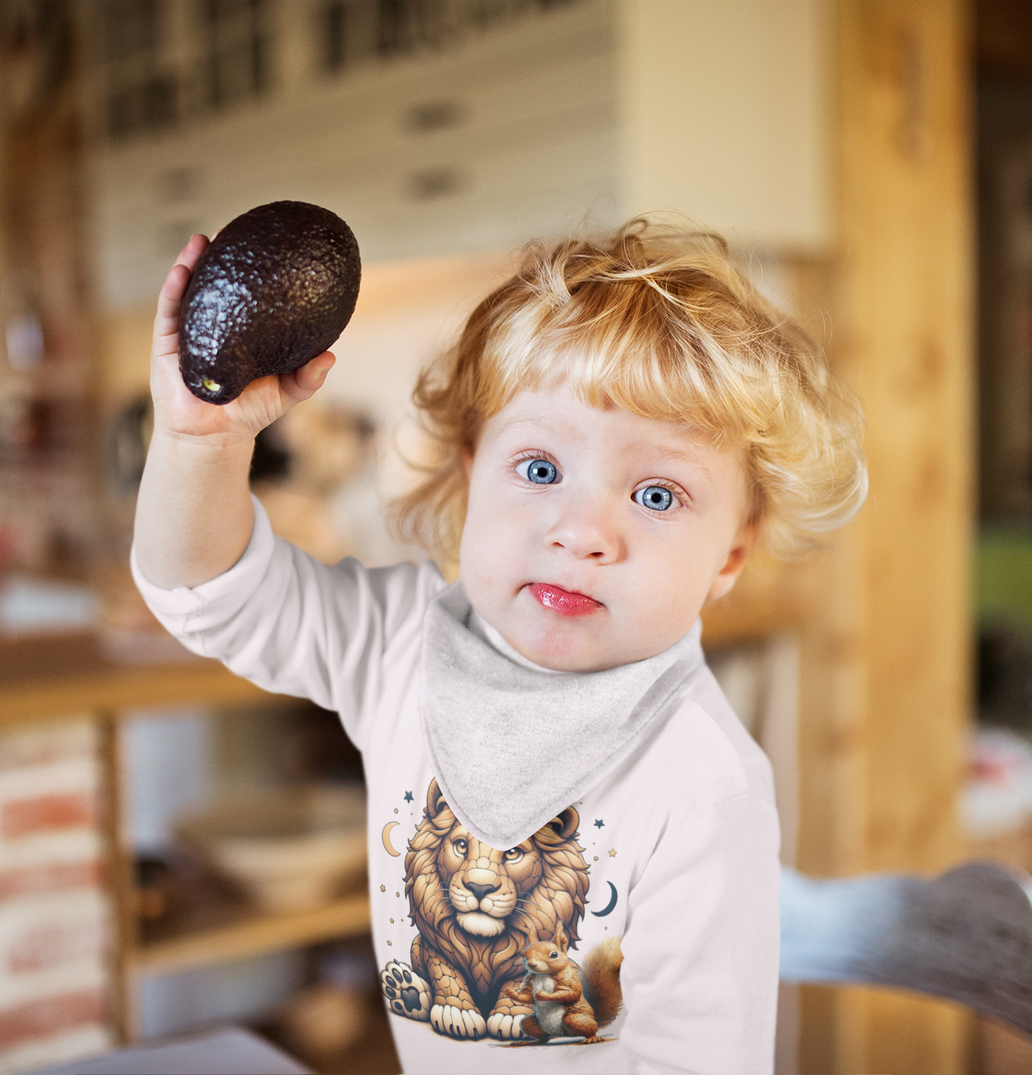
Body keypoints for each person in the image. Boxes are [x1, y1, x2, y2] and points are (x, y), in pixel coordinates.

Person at [132, 217, 867, 1072]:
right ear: (469, 470)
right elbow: (209, 595)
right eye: (542, 469)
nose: (582, 531)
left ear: (730, 555)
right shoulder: (397, 645)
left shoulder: (700, 783)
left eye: (658, 495)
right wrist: (200, 441)